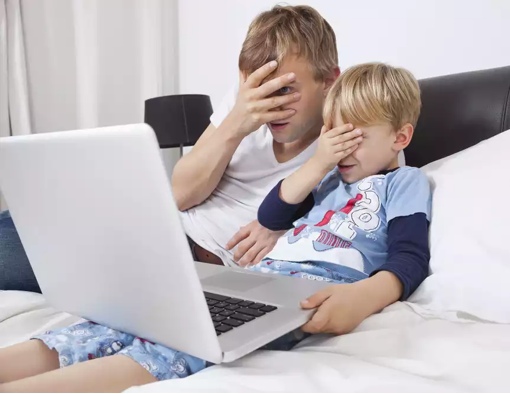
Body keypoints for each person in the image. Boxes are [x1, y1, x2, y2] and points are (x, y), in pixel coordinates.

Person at [0, 5, 362, 393]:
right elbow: (181, 193)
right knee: (19, 222)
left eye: (286, 90)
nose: (270, 106)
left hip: (199, 264)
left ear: (329, 80)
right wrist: (237, 121)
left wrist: (278, 225)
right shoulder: (245, 106)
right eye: (258, 89)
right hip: (156, 233)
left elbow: (355, 219)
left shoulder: (348, 136)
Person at [251, 62, 431, 335]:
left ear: (400, 136)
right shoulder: (327, 176)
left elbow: (410, 257)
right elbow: (270, 216)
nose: (342, 151)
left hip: (325, 281)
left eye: (354, 138)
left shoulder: (403, 181)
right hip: (267, 273)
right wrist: (319, 162)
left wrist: (363, 297)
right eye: (335, 137)